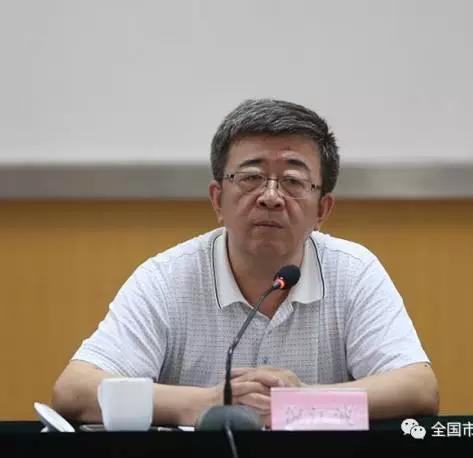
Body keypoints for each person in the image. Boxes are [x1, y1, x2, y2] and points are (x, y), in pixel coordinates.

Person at [51, 99, 439, 427]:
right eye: (251, 177)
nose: (270, 197)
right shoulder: (167, 278)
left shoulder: (353, 271)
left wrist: (303, 401)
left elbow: (419, 388)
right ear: (217, 199)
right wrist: (207, 404)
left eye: (293, 181)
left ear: (322, 209)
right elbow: (74, 390)